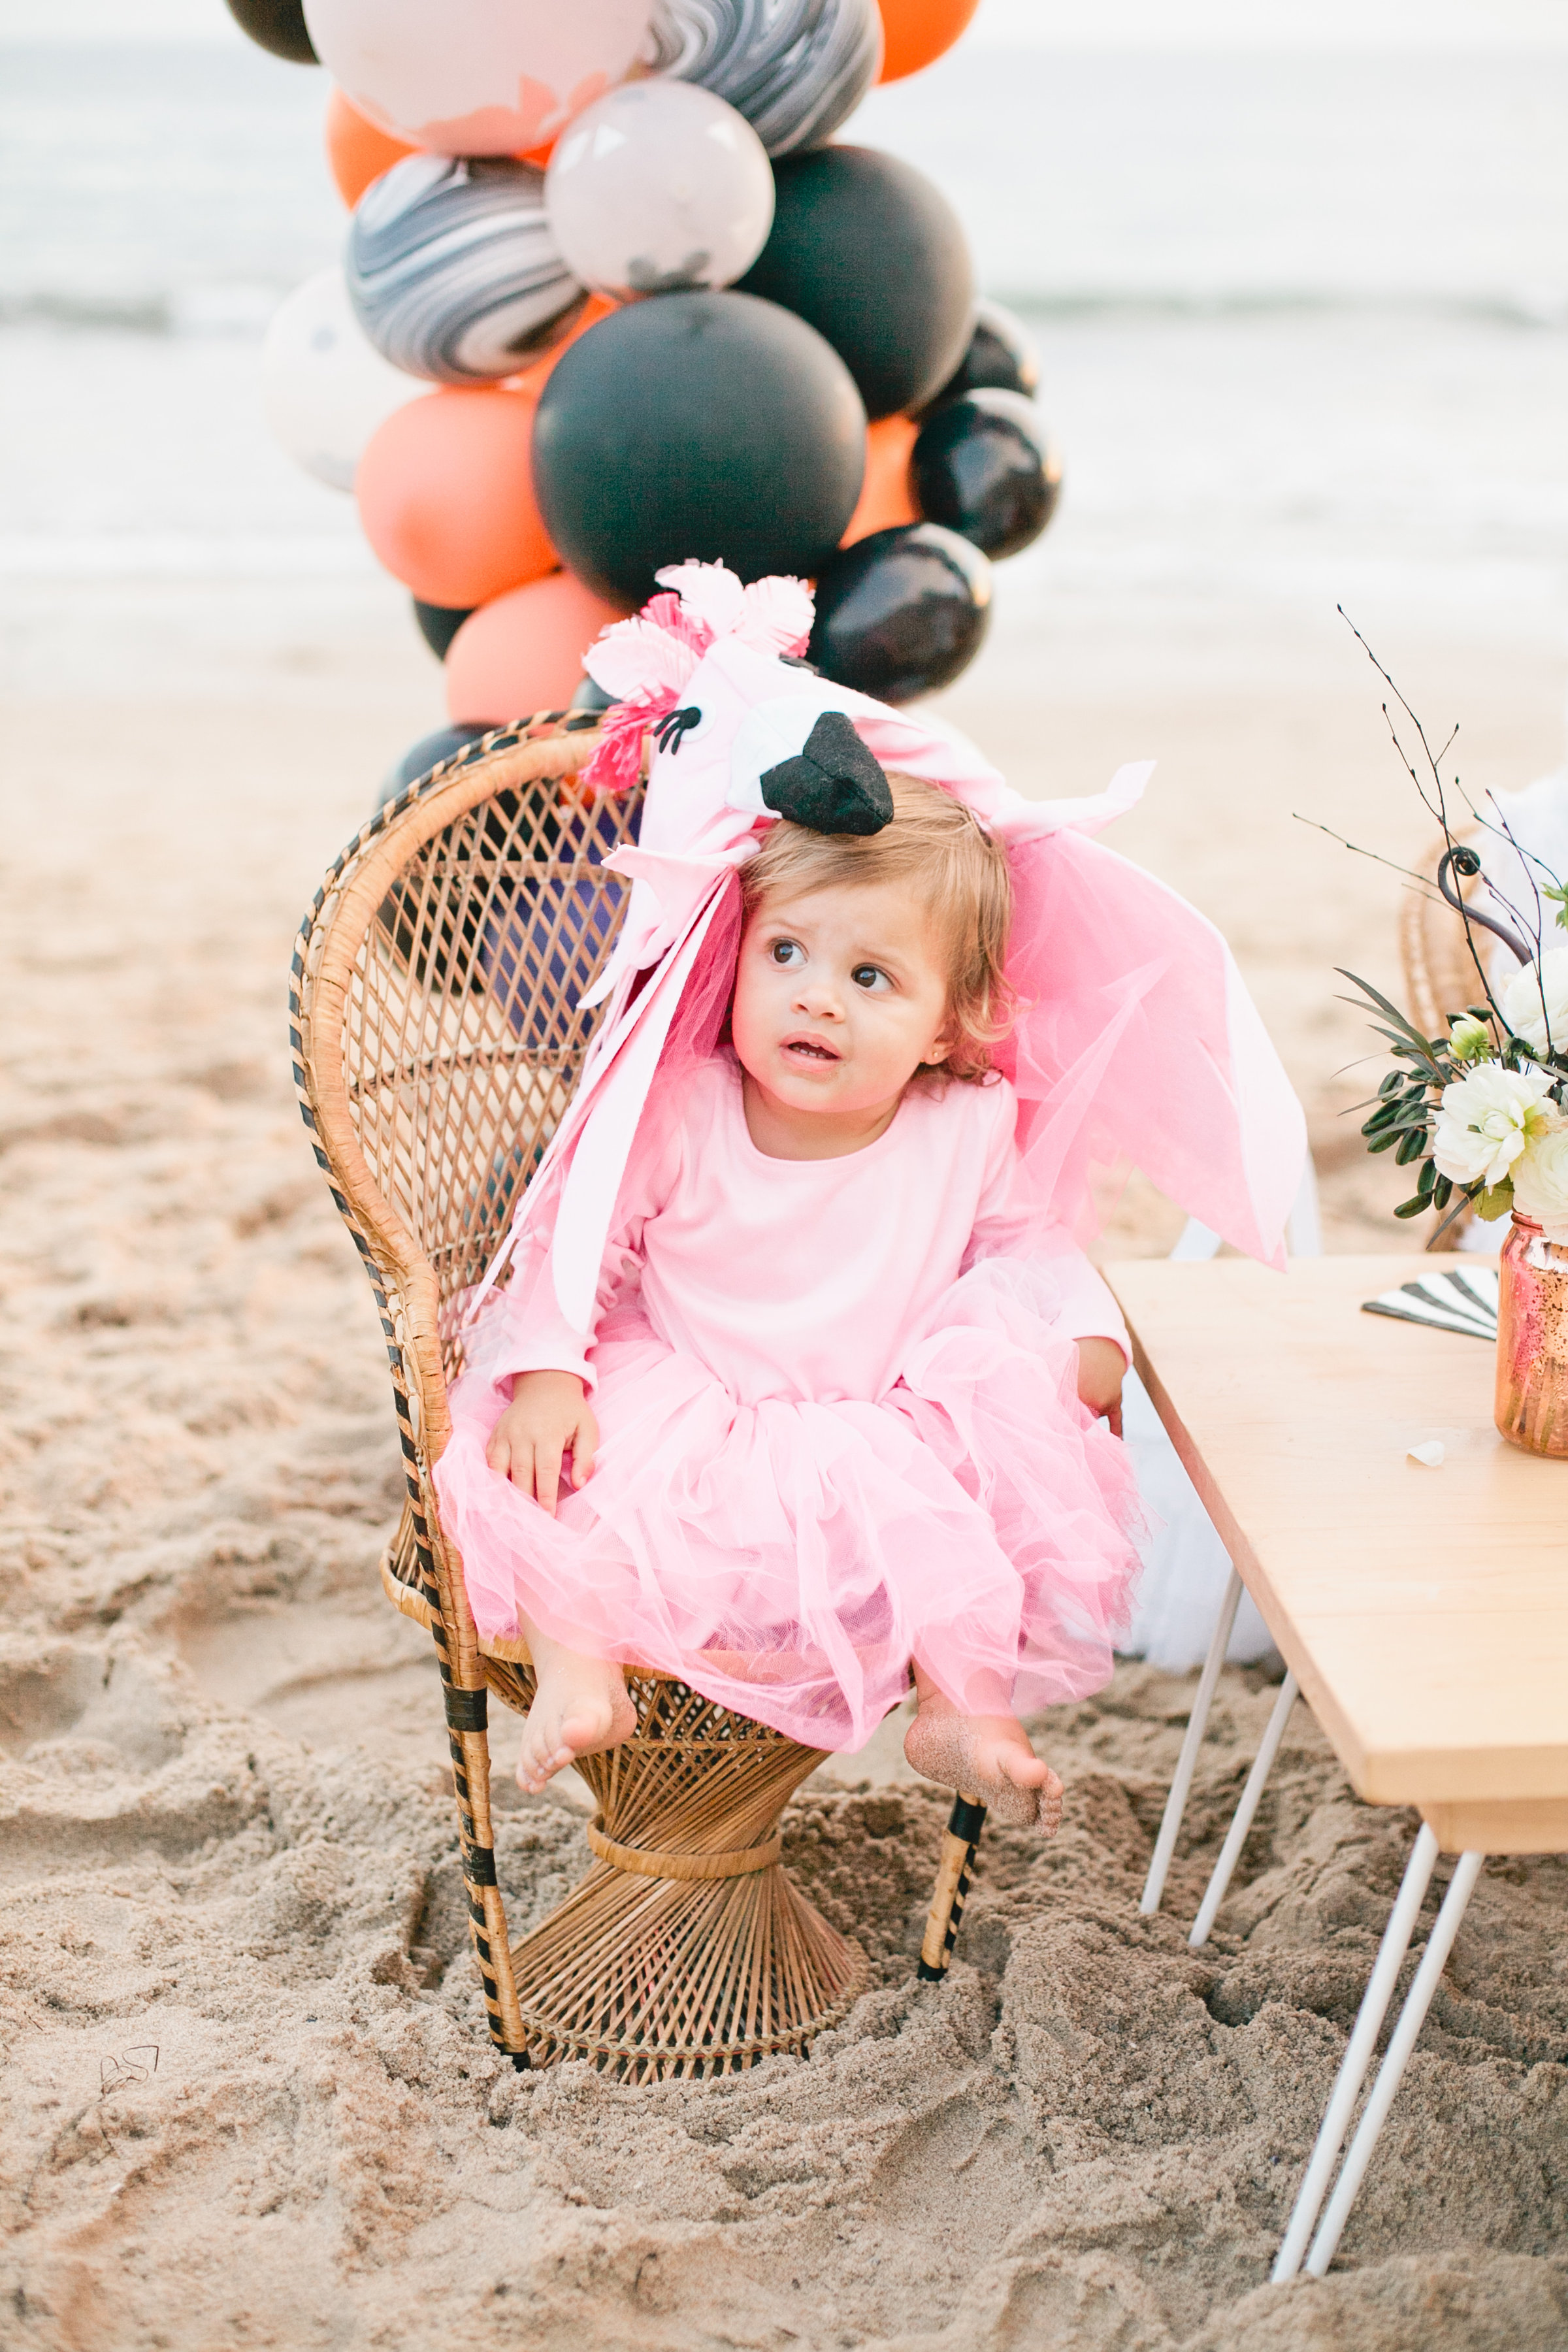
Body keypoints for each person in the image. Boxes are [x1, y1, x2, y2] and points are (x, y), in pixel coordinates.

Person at [433, 562, 1306, 1831]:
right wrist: (552, 1366)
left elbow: (1030, 1249)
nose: (816, 997)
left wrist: (1088, 1335)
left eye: (871, 977)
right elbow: (580, 1241)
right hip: (688, 1401)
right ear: (737, 957)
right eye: (786, 952)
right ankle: (580, 1674)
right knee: (561, 1478)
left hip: (871, 1429)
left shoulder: (962, 1126)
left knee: (965, 1499)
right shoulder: (688, 1110)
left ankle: (964, 1709)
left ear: (950, 1023)